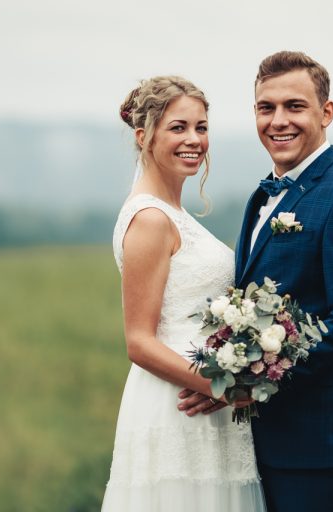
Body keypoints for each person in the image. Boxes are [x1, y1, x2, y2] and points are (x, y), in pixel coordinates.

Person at [178, 51, 333, 511]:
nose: (278, 120)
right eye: (266, 108)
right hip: (264, 440)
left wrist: (248, 381)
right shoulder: (264, 193)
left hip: (322, 443)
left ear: (327, 112)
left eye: (294, 106)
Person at [101, 76, 266, 511]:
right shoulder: (151, 220)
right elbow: (139, 341)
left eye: (201, 127)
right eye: (178, 127)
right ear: (144, 136)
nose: (194, 139)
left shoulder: (173, 213)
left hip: (204, 399)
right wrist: (228, 388)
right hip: (177, 406)